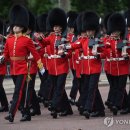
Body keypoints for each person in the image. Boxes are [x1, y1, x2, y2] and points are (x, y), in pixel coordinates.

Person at [0, 4, 45, 123]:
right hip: (14, 69)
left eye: (18, 26)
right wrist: (2, 58)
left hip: (24, 69)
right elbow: (6, 54)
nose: (15, 27)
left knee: (17, 91)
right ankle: (26, 113)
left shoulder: (27, 40)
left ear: (23, 27)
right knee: (23, 92)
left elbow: (35, 54)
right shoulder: (9, 39)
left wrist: (41, 68)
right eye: (14, 25)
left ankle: (11, 114)